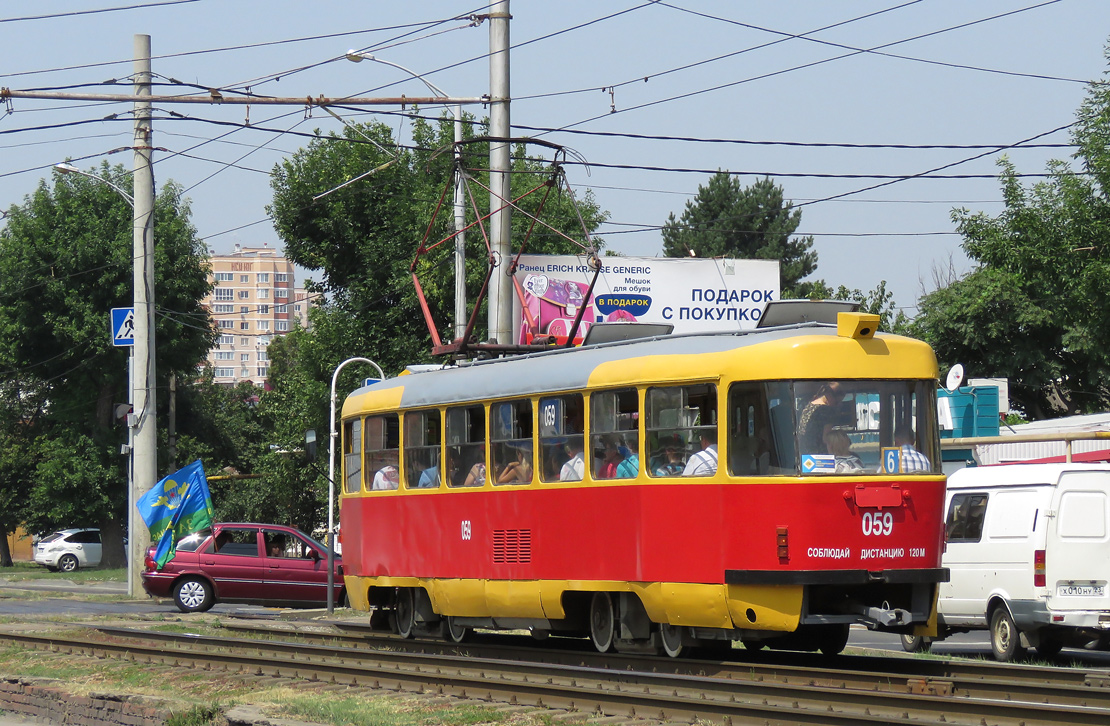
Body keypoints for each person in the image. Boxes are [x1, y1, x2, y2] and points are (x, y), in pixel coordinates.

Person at [799, 382, 840, 453]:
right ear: (829, 395)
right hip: (820, 456)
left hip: (804, 454)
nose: (836, 405)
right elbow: (826, 438)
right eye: (837, 402)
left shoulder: (806, 406)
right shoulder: (827, 411)